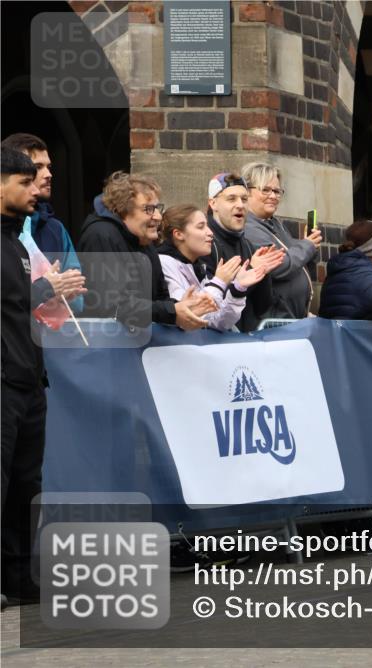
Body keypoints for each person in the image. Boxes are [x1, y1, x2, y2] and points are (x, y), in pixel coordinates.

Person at [1, 149, 86, 608]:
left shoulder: (17, 241)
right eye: (25, 181)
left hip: (28, 378)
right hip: (3, 379)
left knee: (24, 485)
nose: (37, 190)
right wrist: (44, 289)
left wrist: (49, 293)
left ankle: (18, 579)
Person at [78, 172, 215, 330]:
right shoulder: (101, 236)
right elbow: (113, 306)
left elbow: (159, 297)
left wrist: (182, 307)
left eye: (157, 208)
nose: (157, 216)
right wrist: (172, 311)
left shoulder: (145, 242)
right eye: (148, 209)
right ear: (123, 210)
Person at [0, 134, 82, 312]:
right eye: (37, 167)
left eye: (49, 166)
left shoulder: (55, 228)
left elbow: (77, 296)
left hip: (51, 335)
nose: (48, 174)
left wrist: (64, 290)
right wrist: (46, 287)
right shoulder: (10, 231)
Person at [159, 204, 269, 332]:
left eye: (207, 226)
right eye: (201, 227)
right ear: (178, 234)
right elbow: (189, 315)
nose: (210, 233)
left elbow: (217, 322)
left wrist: (238, 289)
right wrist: (219, 282)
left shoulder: (197, 266)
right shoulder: (163, 263)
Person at [201, 173, 285, 333]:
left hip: (246, 342)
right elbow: (207, 306)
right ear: (213, 203)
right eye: (231, 199)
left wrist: (263, 273)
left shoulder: (248, 245)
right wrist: (249, 272)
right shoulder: (204, 243)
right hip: (214, 344)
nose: (240, 205)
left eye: (244, 199)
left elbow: (262, 306)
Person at [241, 162, 321, 319]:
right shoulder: (248, 227)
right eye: (265, 190)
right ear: (247, 192)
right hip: (273, 321)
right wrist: (308, 245)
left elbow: (297, 259)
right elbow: (280, 265)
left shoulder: (274, 223)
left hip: (291, 317)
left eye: (277, 191)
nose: (273, 196)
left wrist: (310, 245)